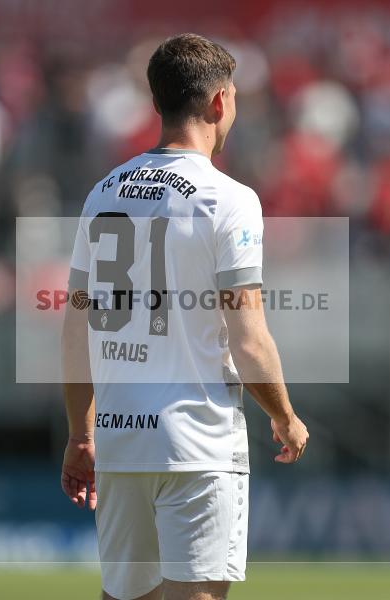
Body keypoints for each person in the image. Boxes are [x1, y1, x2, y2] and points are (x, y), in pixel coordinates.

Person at [59, 34, 308, 600]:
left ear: (157, 103)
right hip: (197, 440)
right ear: (219, 101)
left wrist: (81, 432)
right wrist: (285, 415)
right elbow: (248, 338)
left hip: (121, 440)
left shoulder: (102, 194)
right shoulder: (229, 198)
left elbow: (77, 329)